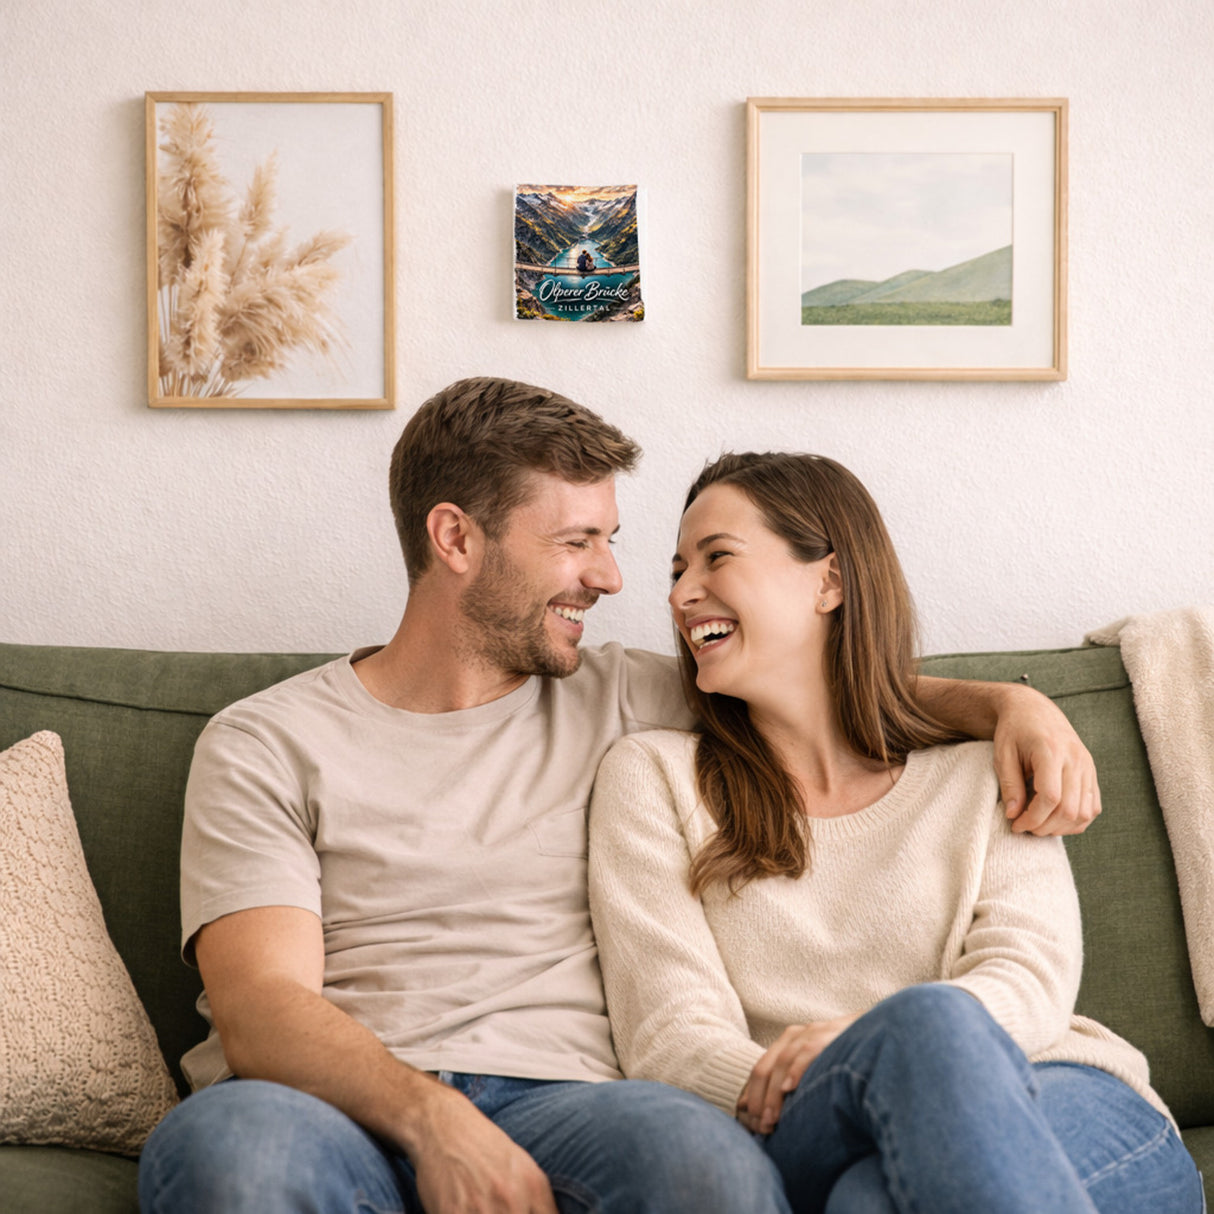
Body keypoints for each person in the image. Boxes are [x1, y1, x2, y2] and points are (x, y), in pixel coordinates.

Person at [138, 380, 1103, 1214]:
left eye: (612, 541)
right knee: (234, 1152)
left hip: (571, 1102)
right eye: (577, 542)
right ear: (455, 538)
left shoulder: (627, 695)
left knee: (703, 1166)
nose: (611, 577)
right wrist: (435, 1122)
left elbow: (819, 682)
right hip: (325, 1105)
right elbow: (263, 1007)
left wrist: (1008, 704)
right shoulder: (267, 740)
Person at [587, 451, 1203, 1214]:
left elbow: (1030, 978)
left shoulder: (980, 770)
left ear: (830, 582)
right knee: (921, 1028)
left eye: (717, 557)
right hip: (804, 1119)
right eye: (677, 571)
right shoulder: (654, 778)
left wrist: (890, 1042)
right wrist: (869, 1059)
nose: (680, 594)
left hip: (1056, 1090)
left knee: (872, 1196)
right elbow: (671, 1035)